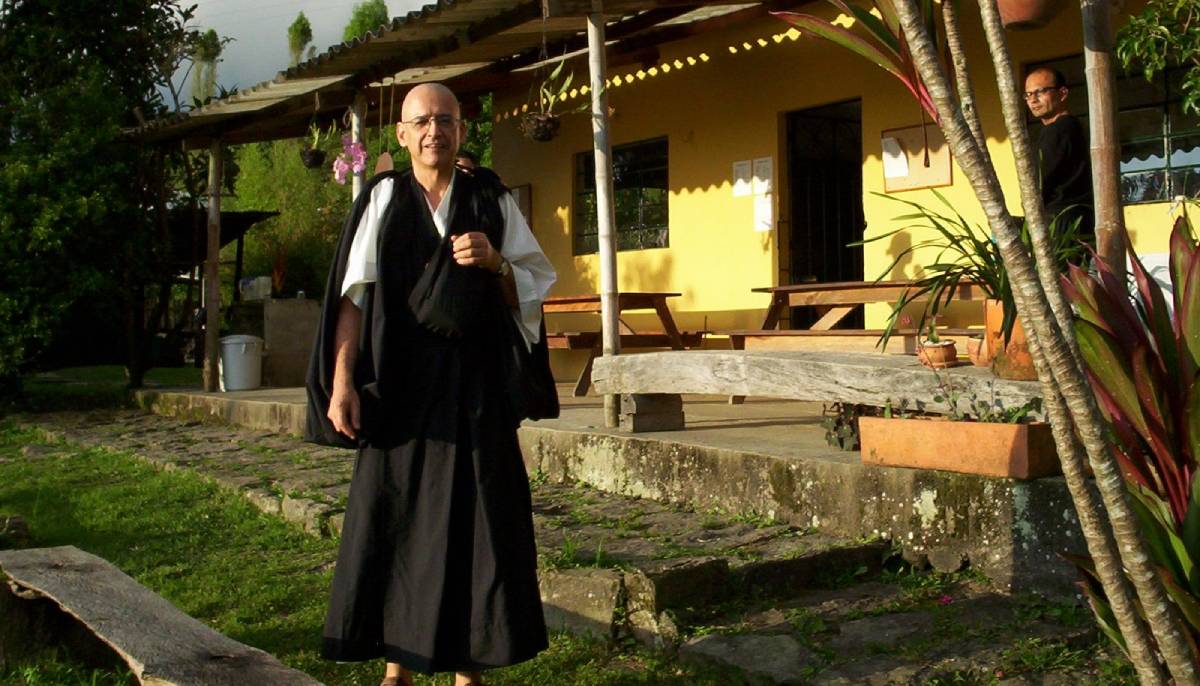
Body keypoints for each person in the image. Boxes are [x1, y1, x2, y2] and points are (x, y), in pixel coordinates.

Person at [305, 82, 556, 686]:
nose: (433, 131)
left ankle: (470, 671)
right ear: (402, 134)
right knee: (396, 521)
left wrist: (496, 261)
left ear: (462, 129)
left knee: (480, 528)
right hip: (400, 390)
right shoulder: (383, 198)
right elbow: (353, 298)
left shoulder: (491, 198)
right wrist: (342, 384)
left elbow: (533, 285)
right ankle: (398, 668)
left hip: (477, 393)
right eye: (421, 122)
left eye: (444, 120)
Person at [1023, 66, 1094, 255]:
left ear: (1062, 93)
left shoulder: (1061, 130)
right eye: (1028, 94)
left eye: (1040, 92)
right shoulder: (1067, 127)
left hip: (1063, 223)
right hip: (1075, 222)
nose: (1033, 100)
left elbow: (1040, 181)